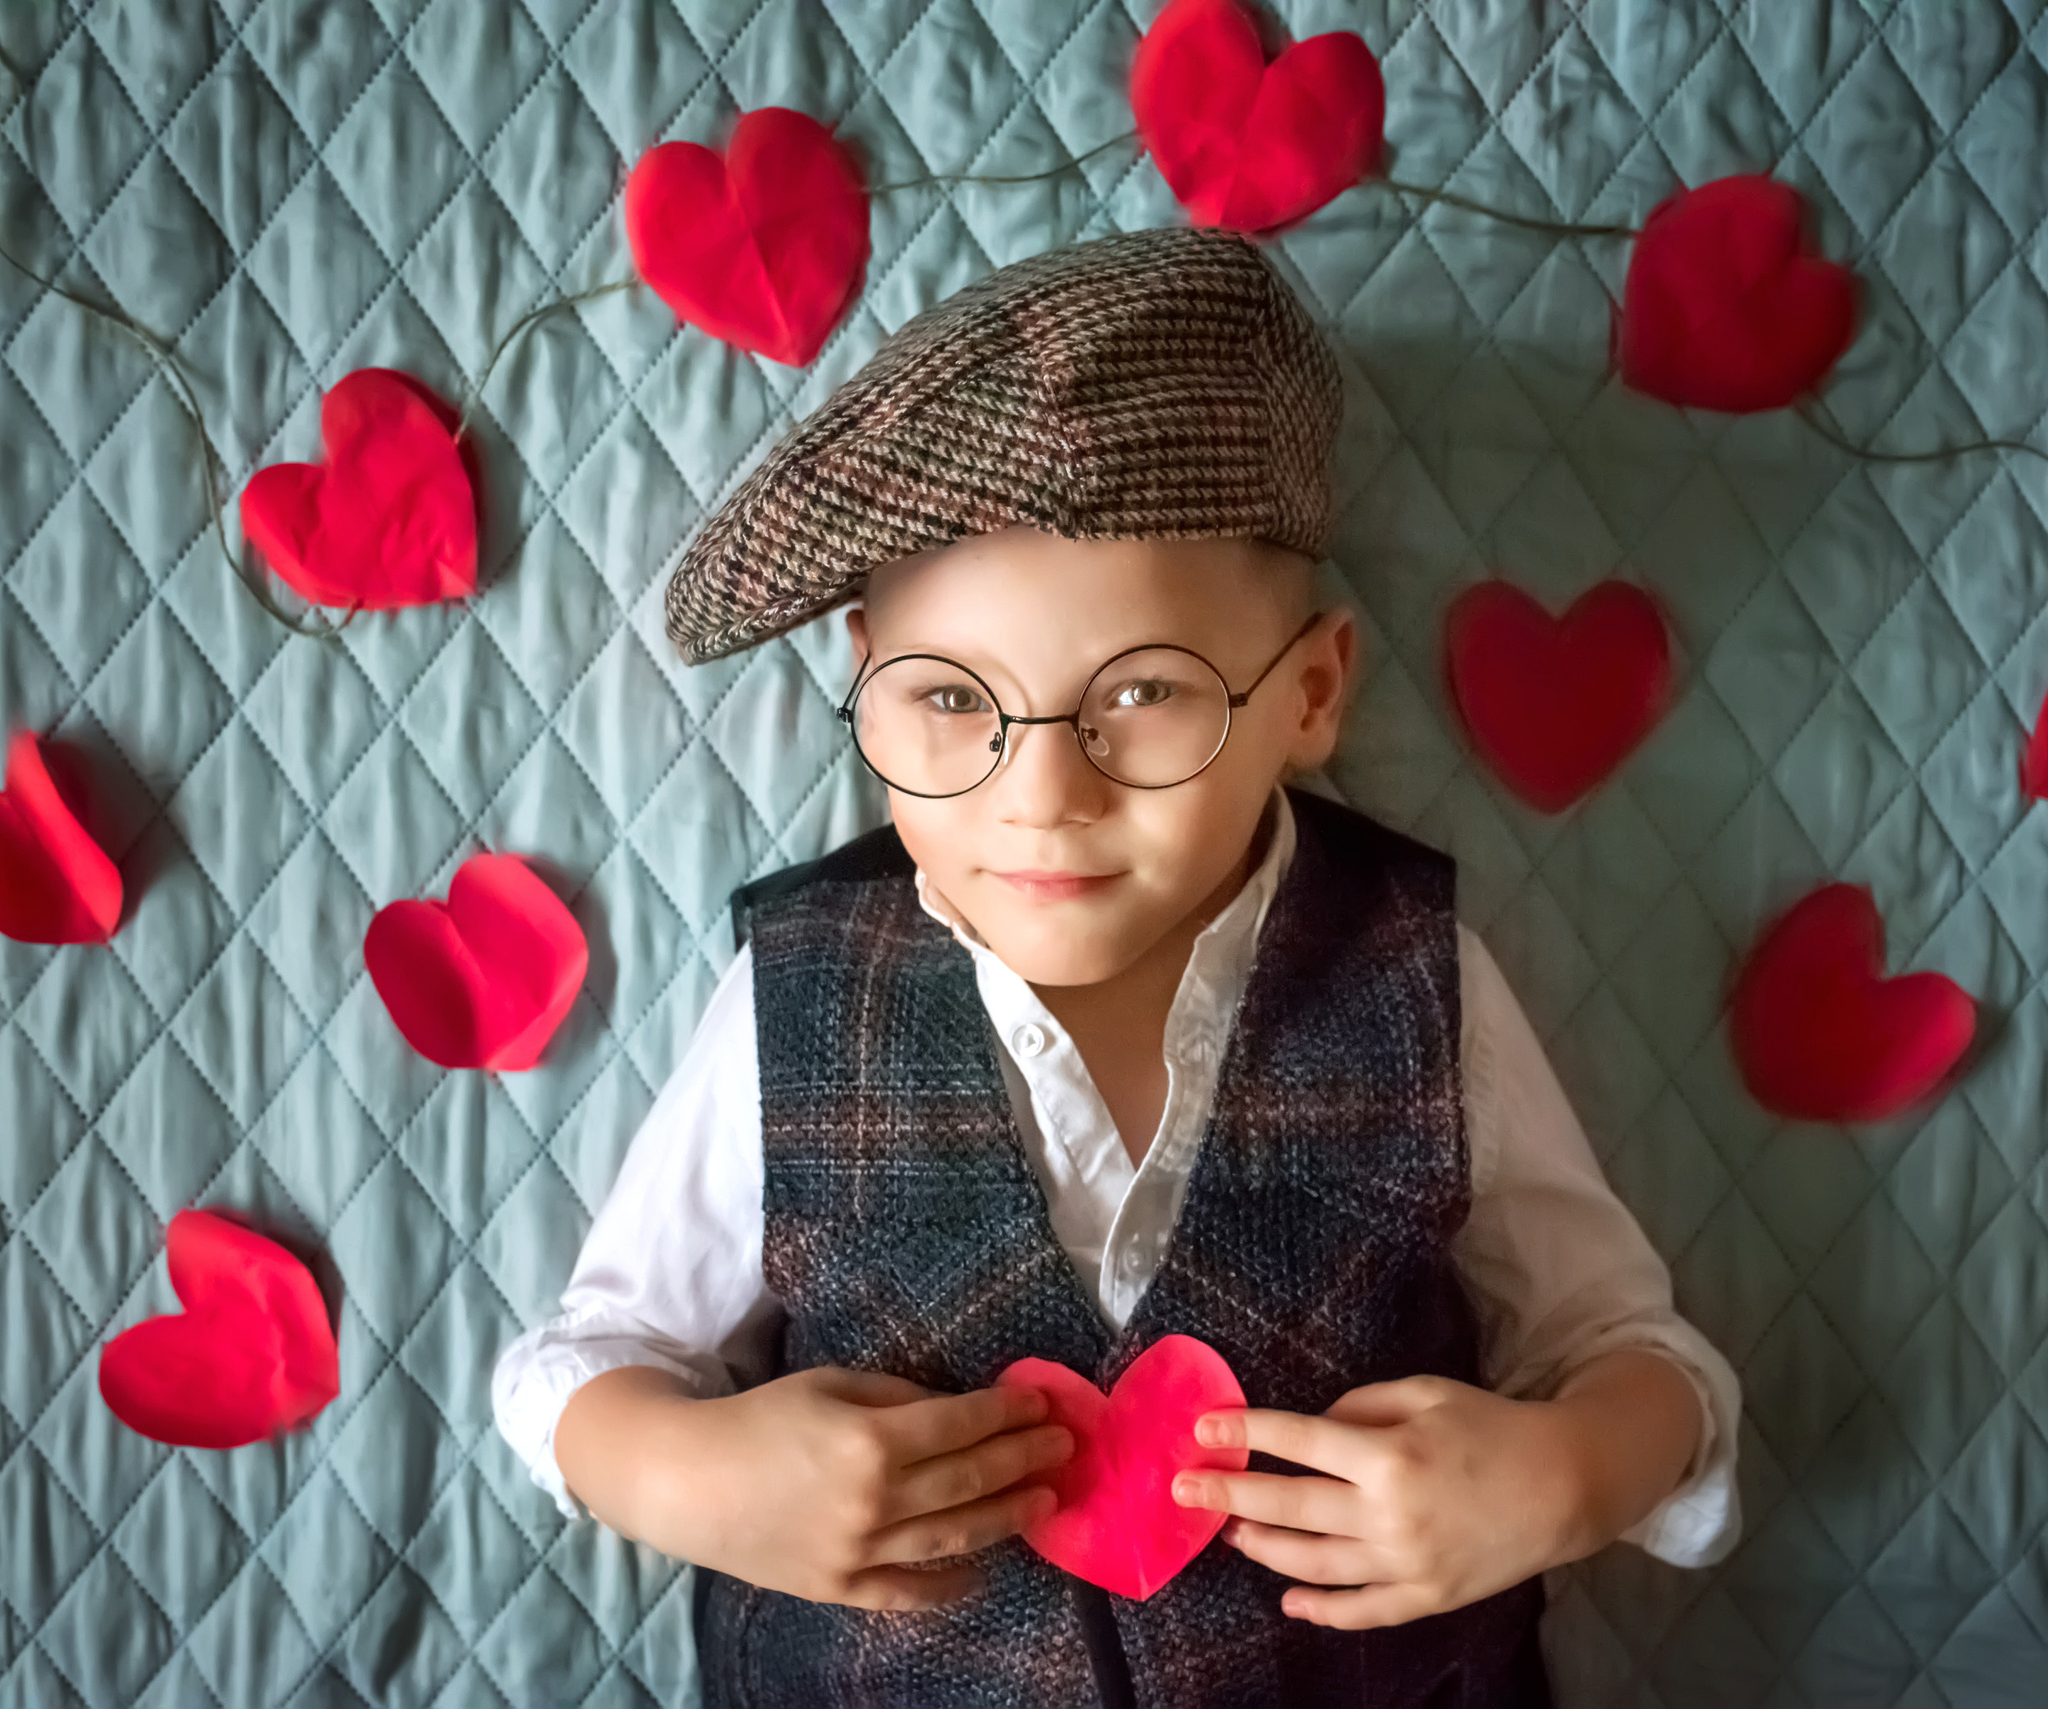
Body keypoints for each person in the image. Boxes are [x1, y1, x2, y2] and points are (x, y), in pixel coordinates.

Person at [492, 223, 1742, 1707]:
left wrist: (1566, 1474)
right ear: (862, 684)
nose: (1043, 795)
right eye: (952, 698)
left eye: (1146, 691)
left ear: (1314, 692)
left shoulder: (1417, 975)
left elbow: (1628, 1345)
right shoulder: (798, 992)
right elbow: (589, 1356)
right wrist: (689, 1470)